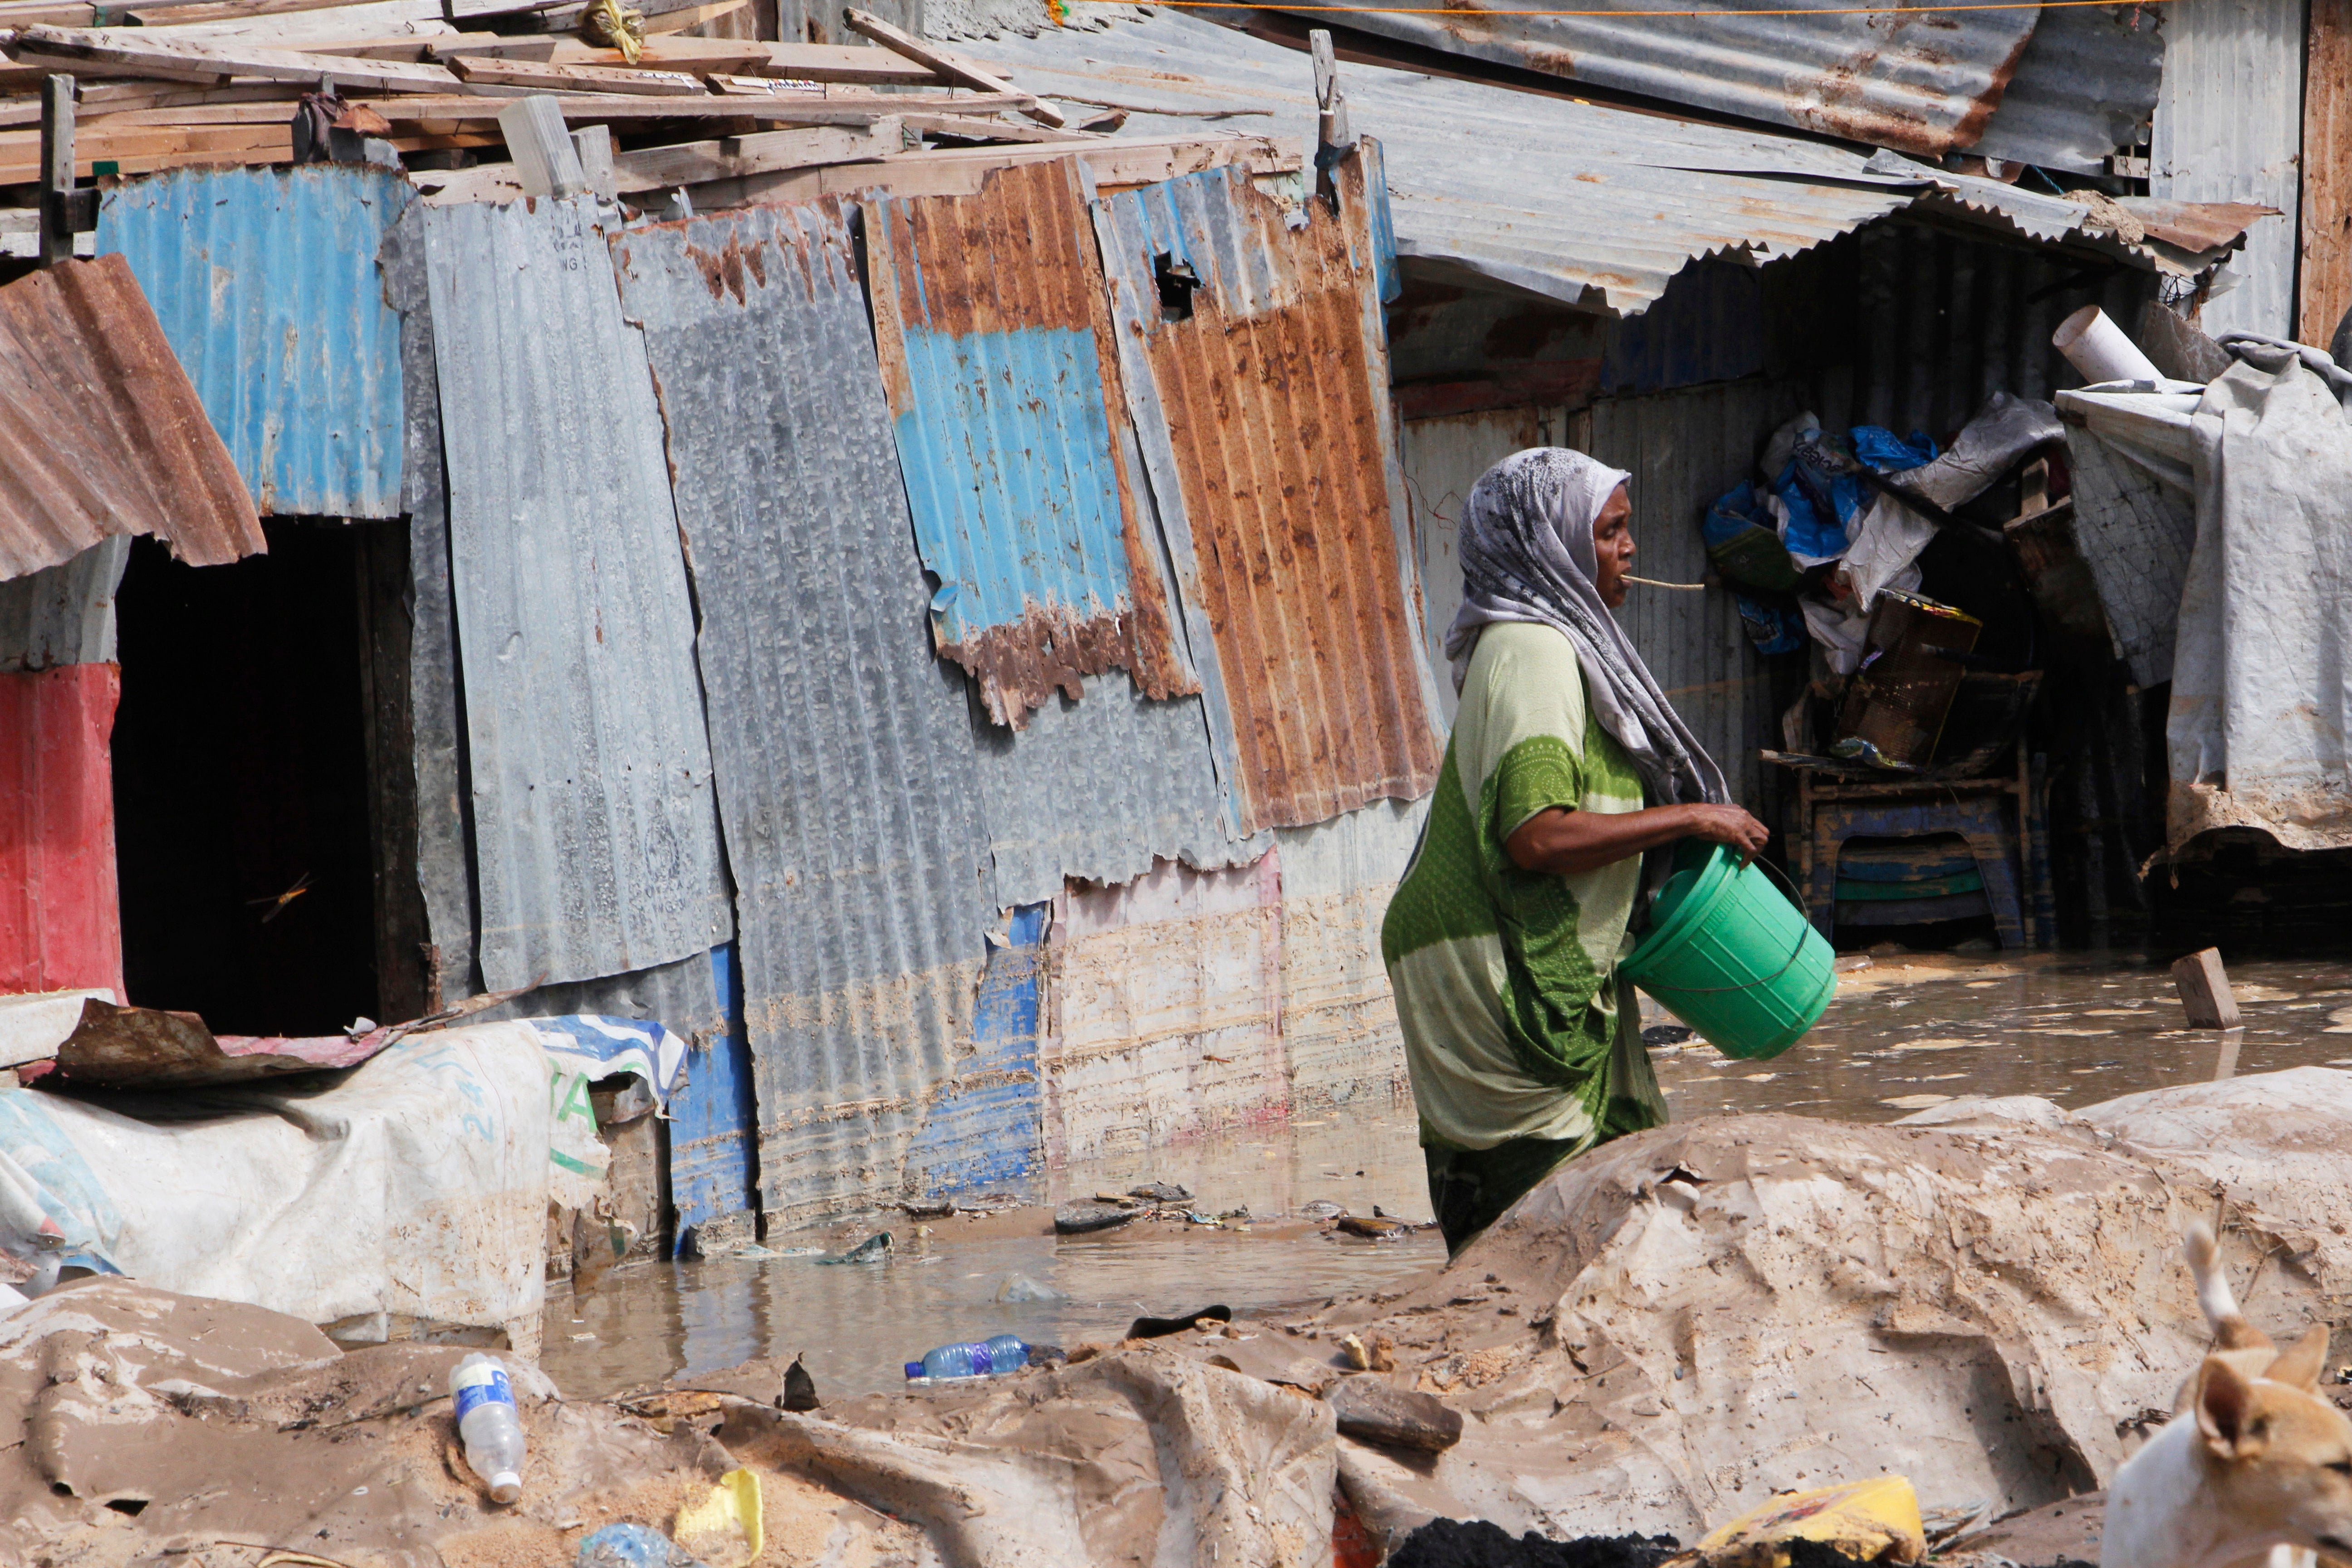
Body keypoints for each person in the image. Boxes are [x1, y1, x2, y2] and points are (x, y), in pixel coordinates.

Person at [1380, 449, 1771, 1255]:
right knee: (1541, 1224)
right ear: (1553, 544)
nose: (1630, 548)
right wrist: (1692, 817)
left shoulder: (1551, 643)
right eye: (1611, 531)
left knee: (1605, 1197)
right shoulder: (1534, 653)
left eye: (1628, 529)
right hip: (1488, 963)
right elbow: (1539, 836)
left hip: (1516, 948)